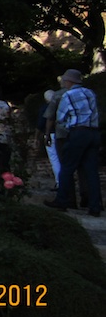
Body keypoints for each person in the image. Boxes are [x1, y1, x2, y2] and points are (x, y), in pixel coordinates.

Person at [45, 69, 102, 217]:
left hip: (78, 132)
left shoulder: (68, 95)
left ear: (69, 81)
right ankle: (95, 205)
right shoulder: (90, 93)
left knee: (67, 167)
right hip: (93, 132)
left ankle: (63, 200)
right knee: (91, 171)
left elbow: (61, 117)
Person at [38, 89, 61, 188]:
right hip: (62, 134)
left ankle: (59, 182)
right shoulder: (60, 105)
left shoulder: (45, 108)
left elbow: (41, 122)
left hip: (51, 134)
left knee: (54, 159)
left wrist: (41, 135)